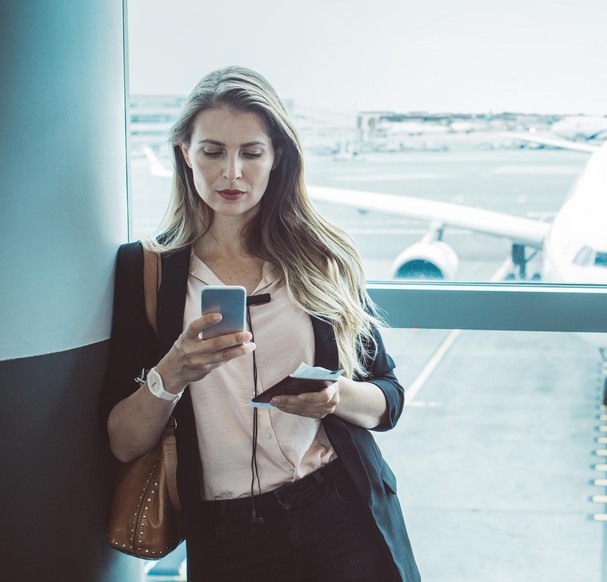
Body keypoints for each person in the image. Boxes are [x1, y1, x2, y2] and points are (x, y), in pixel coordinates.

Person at [100, 66, 420, 582]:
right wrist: (173, 372)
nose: (232, 173)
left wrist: (335, 397)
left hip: (340, 507)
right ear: (185, 153)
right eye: (212, 151)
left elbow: (390, 398)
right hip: (228, 533)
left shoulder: (321, 257)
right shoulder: (146, 269)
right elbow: (122, 441)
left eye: (251, 152)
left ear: (276, 158)